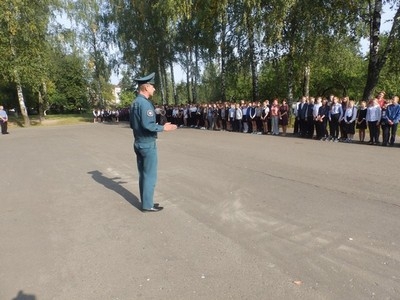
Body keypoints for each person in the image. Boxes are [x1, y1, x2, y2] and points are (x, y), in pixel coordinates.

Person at [130, 72, 177, 212]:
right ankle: (147, 205)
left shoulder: (134, 103)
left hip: (138, 141)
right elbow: (148, 125)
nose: (154, 89)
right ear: (146, 87)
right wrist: (164, 127)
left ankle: (146, 201)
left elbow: (134, 124)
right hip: (147, 143)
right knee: (149, 175)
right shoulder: (144, 104)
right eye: (152, 86)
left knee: (143, 174)